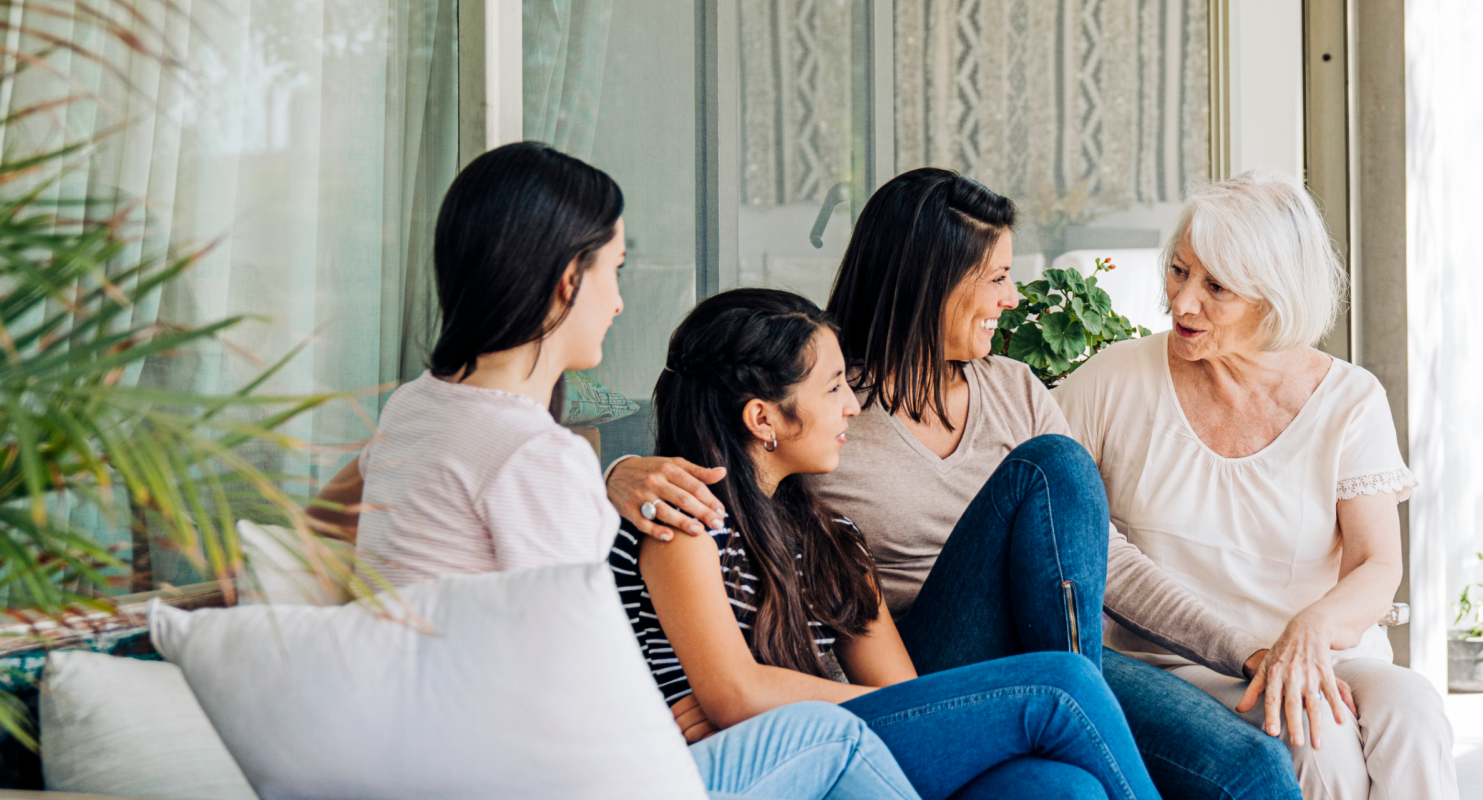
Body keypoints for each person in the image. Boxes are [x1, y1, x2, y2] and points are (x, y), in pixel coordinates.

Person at [606, 168, 1303, 800]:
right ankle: (1060, 699)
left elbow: (1103, 561)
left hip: (1027, 662)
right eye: (996, 276)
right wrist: (616, 472)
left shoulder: (1004, 397)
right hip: (935, 667)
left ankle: (1062, 705)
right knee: (1062, 677)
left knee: (1207, 770)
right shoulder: (808, 429)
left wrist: (1242, 647)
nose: (1012, 295)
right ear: (932, 282)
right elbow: (713, 455)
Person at [335, 141, 914, 800]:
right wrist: (665, 724)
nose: (618, 301)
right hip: (528, 777)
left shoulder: (416, 409)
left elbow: (321, 523)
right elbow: (570, 676)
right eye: (616, 269)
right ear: (567, 282)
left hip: (435, 755)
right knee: (837, 735)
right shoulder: (536, 458)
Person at [614, 286, 1165, 800]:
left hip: (851, 748)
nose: (852, 404)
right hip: (774, 770)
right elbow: (736, 696)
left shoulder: (834, 542)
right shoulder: (684, 527)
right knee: (1063, 685)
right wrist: (896, 710)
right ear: (763, 418)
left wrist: (892, 710)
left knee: (1061, 787)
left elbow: (900, 693)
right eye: (832, 387)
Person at [1053, 171, 1457, 800]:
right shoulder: (1115, 380)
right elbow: (1035, 490)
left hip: (1324, 649)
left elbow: (1377, 564)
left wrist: (1312, 629)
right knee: (1322, 751)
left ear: (1276, 297)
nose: (1183, 302)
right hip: (1188, 662)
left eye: (1217, 287)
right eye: (1180, 271)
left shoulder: (1349, 400)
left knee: (1415, 711)